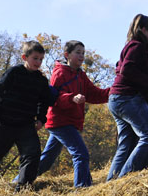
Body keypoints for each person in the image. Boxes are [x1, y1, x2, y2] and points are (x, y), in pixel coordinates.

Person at [0, 40, 53, 190]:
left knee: (32, 154)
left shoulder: (41, 81)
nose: (38, 62)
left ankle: (24, 188)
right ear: (24, 57)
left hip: (26, 125)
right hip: (4, 122)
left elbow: (43, 102)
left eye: (41, 59)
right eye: (35, 58)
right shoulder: (14, 73)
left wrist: (40, 119)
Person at [34, 40, 110, 187]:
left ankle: (19, 181)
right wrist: (72, 98)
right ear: (67, 55)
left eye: (83, 53)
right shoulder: (60, 73)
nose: (81, 56)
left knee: (46, 160)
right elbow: (54, 98)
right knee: (81, 154)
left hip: (70, 122)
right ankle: (82, 189)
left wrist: (112, 92)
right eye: (78, 52)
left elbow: (94, 94)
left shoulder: (81, 75)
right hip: (60, 122)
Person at [107, 14, 148, 180]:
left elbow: (121, 69)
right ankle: (124, 181)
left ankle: (111, 184)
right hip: (128, 98)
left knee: (126, 144)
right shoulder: (137, 46)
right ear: (143, 30)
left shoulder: (131, 46)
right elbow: (127, 70)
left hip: (117, 99)